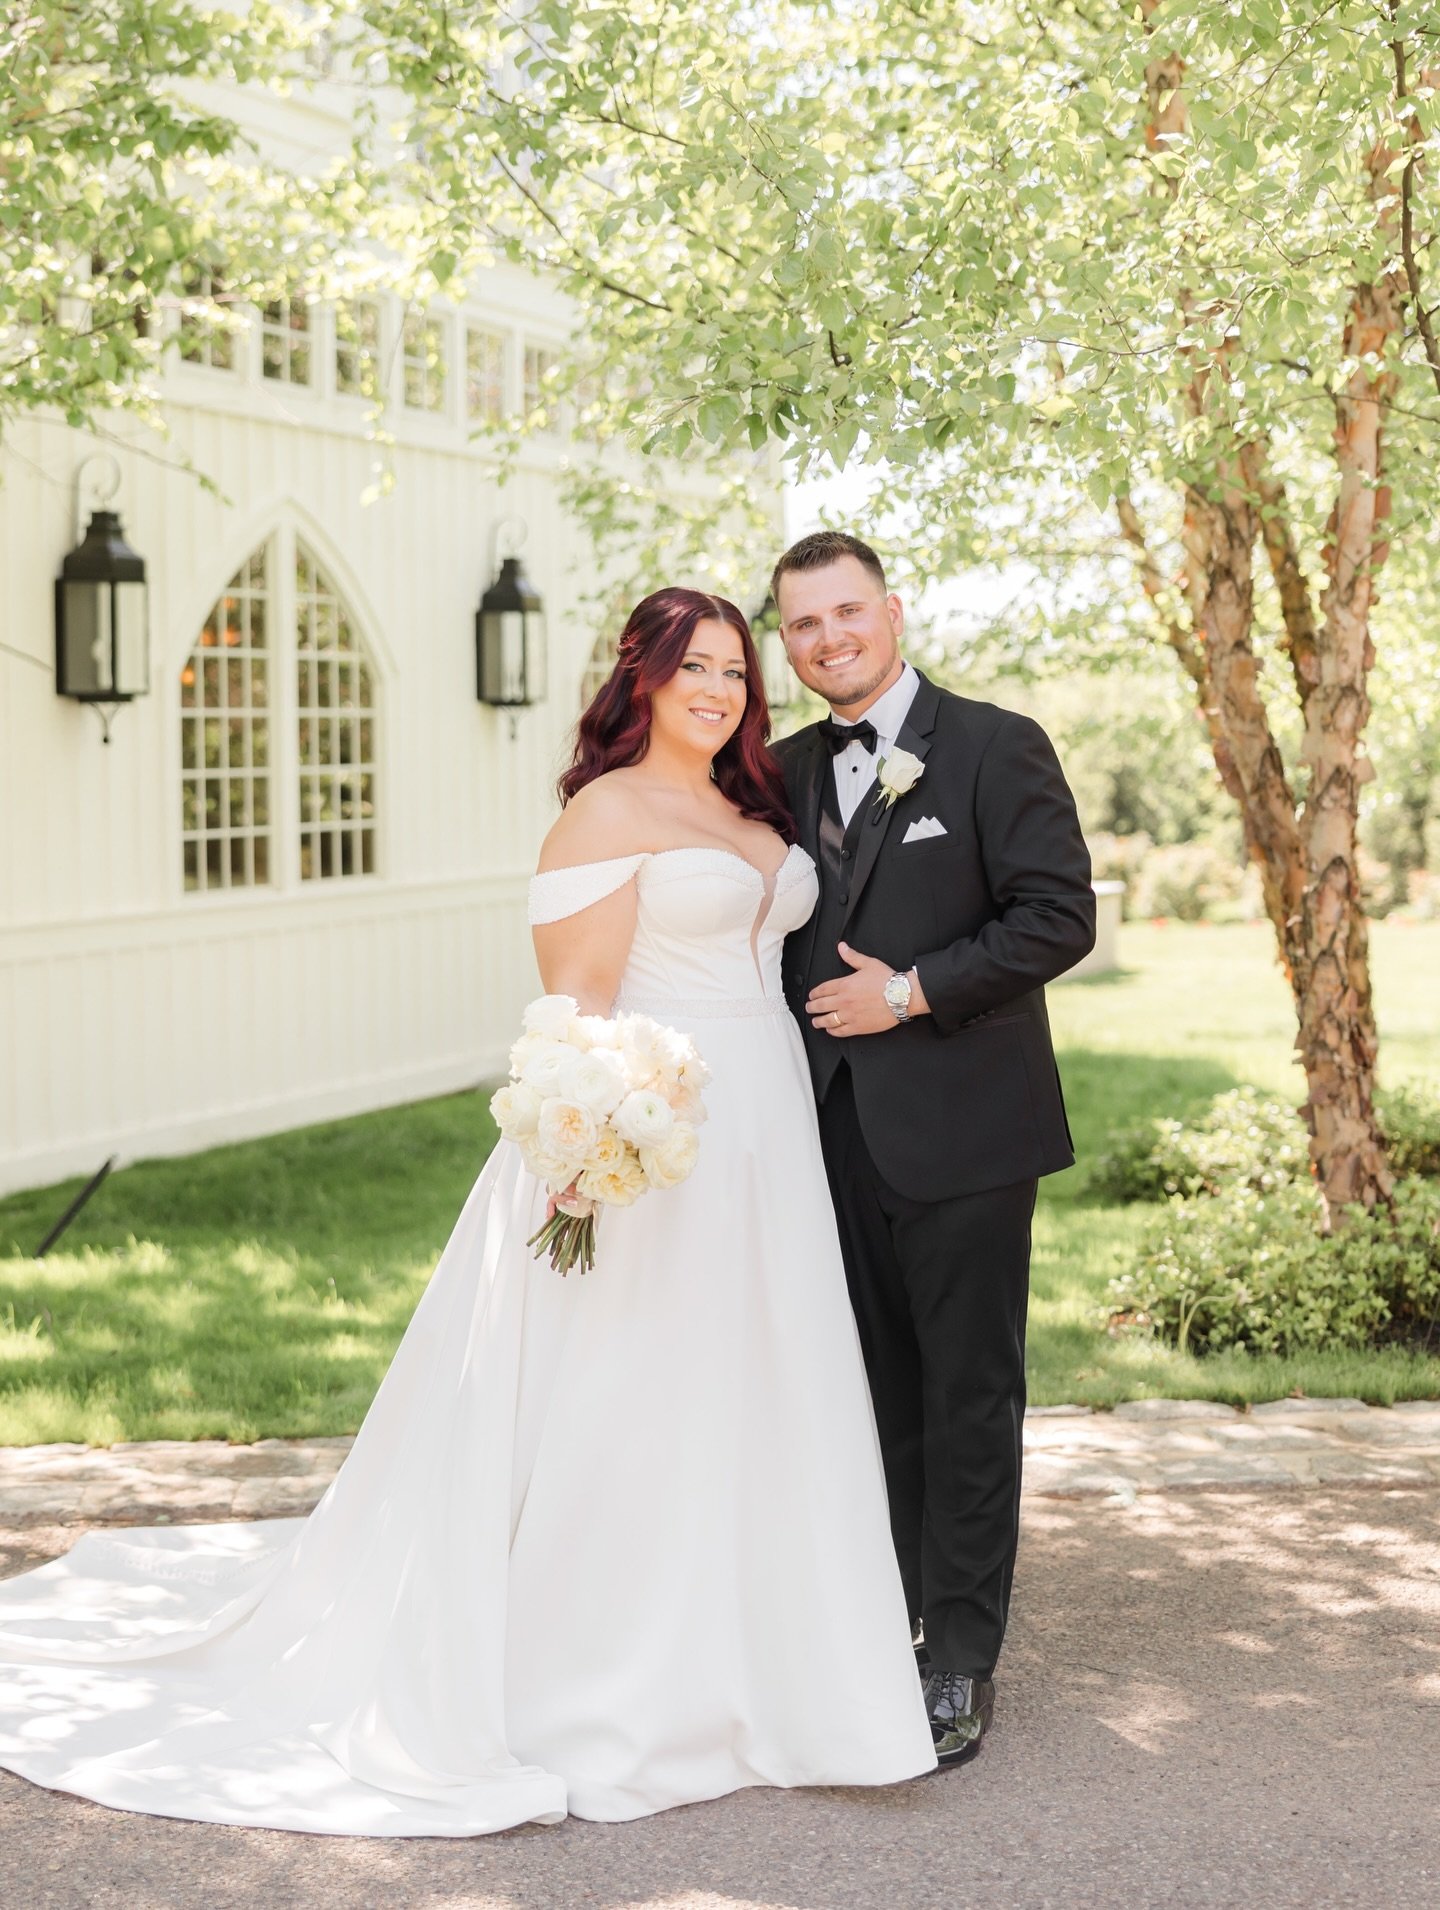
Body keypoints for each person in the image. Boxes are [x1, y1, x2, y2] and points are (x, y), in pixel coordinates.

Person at [0, 587, 935, 1836]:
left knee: (760, 1387)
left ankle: (779, 1665)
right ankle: (616, 1686)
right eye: (692, 666)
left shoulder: (749, 804)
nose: (718, 687)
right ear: (642, 680)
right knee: (635, 1399)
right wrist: (592, 1142)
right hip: (655, 1139)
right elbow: (582, 1002)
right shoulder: (603, 812)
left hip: (773, 1133)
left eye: (732, 667)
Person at [772, 531, 1096, 1768]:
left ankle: (960, 1654)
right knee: (868, 1391)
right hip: (822, 1131)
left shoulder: (994, 743)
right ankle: (889, 1615)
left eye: (846, 612)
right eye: (803, 625)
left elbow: (1056, 914)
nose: (828, 639)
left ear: (892, 613)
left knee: (968, 1394)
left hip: (964, 1126)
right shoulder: (782, 768)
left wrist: (910, 992)